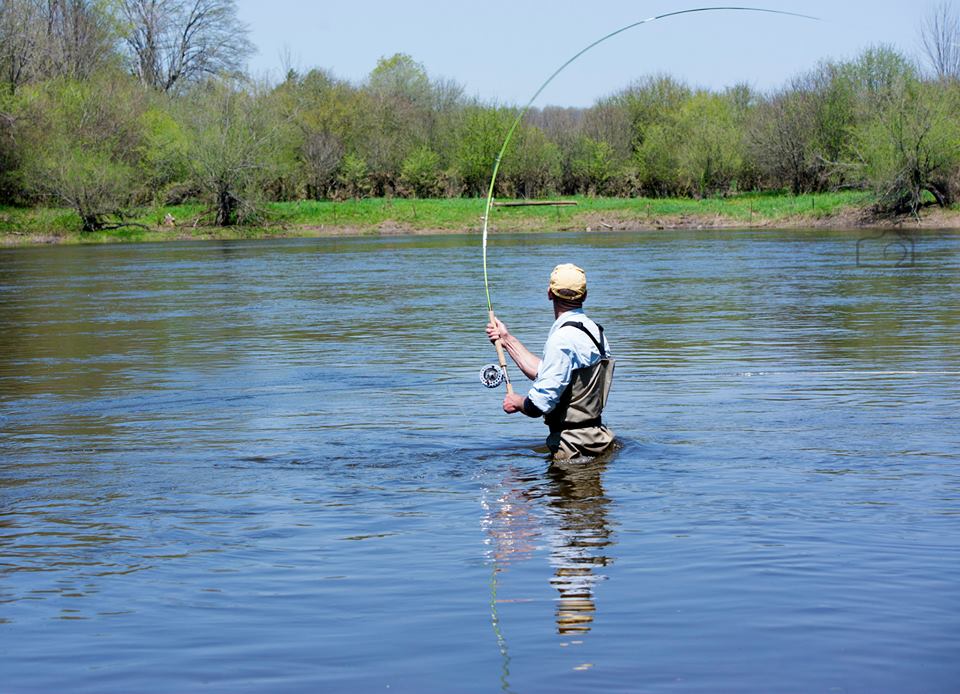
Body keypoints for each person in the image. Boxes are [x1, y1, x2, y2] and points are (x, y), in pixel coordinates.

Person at [486, 263, 615, 461]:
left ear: (549, 294)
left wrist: (518, 402)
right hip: (598, 440)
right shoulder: (594, 331)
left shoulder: (562, 339)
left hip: (573, 448)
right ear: (585, 295)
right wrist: (507, 340)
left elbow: (539, 405)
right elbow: (550, 374)